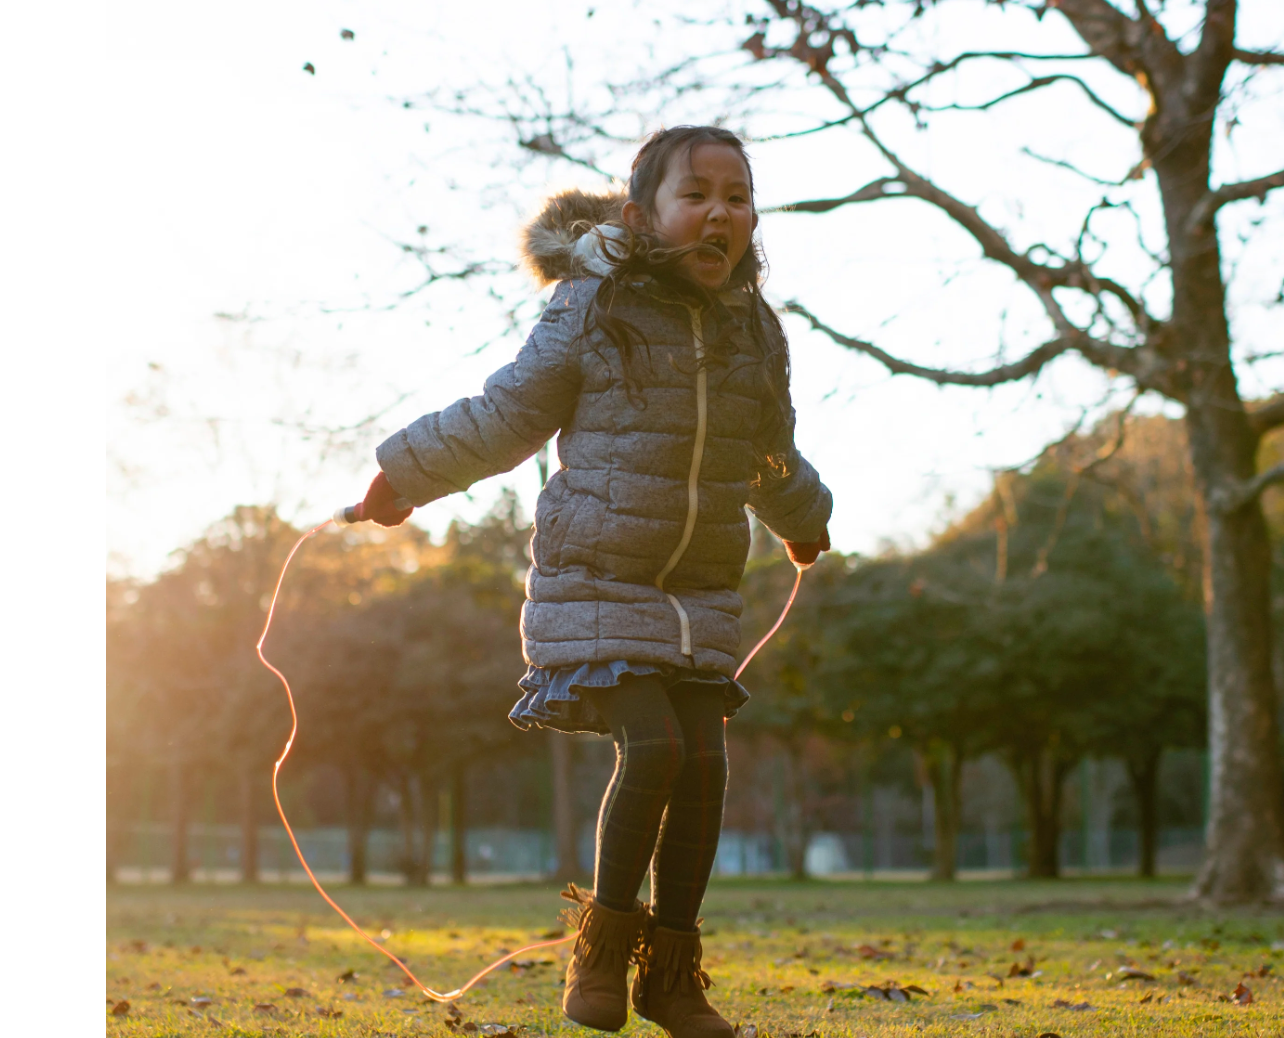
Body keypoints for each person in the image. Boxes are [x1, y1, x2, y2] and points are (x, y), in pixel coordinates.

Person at [357, 126, 831, 1038]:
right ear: (642, 214)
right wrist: (406, 473)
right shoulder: (592, 304)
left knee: (705, 765)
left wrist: (806, 522)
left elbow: (768, 451)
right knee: (653, 747)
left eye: (736, 196)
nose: (719, 212)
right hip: (596, 580)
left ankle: (673, 976)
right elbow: (508, 413)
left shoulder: (754, 331)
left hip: (700, 595)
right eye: (695, 193)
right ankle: (603, 953)